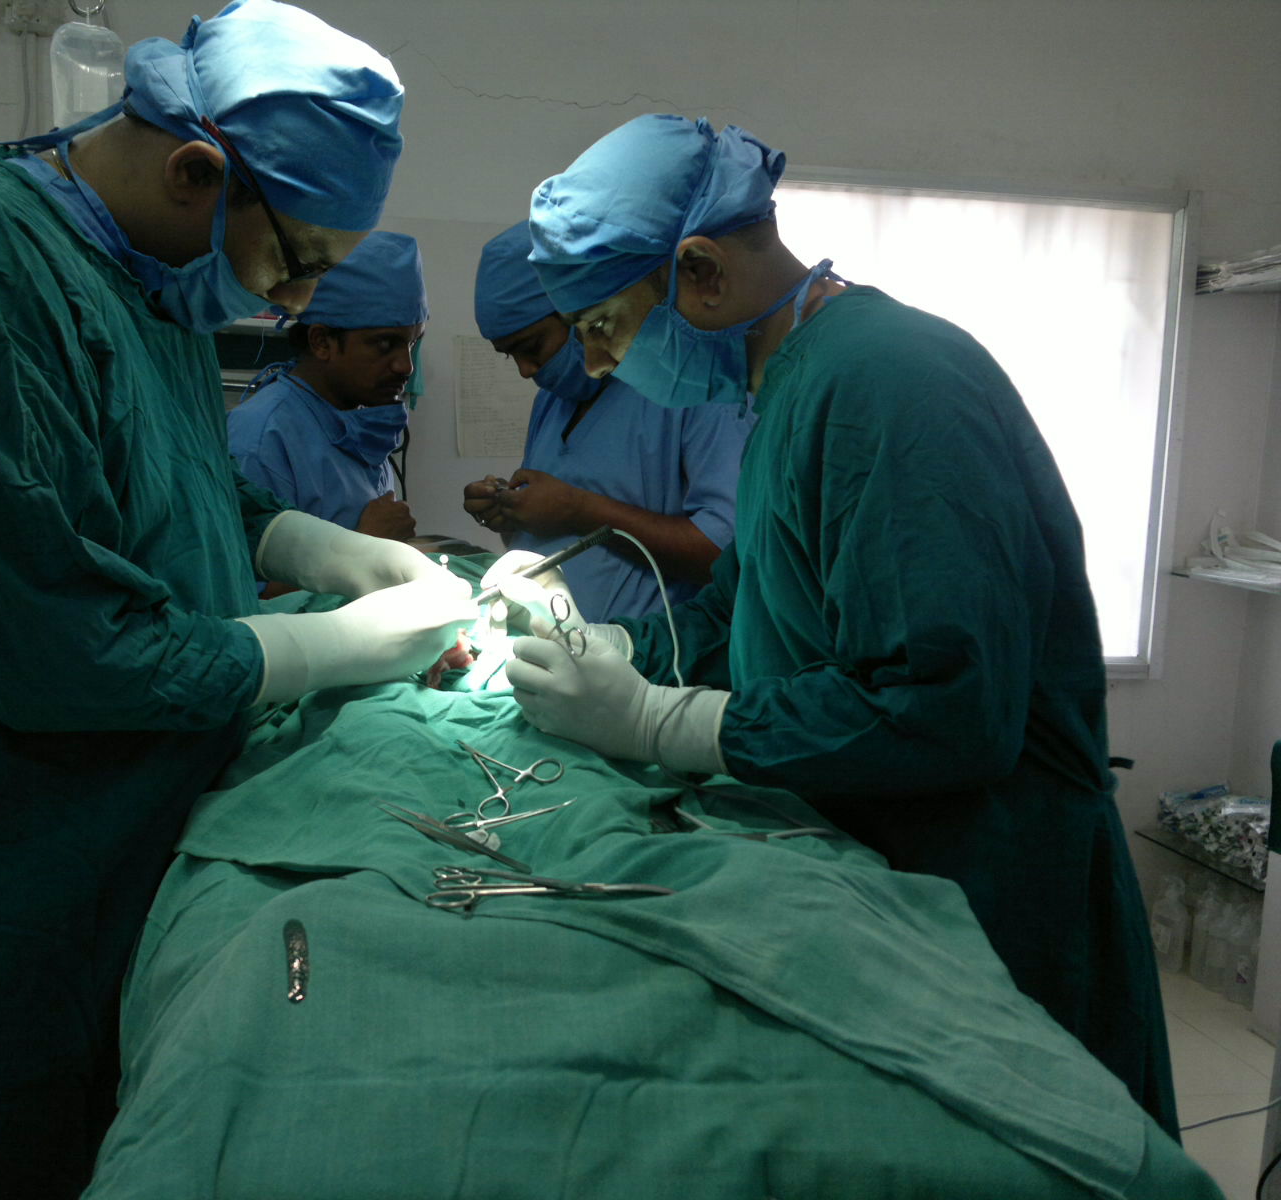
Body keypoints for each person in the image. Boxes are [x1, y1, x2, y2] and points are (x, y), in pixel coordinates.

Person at [0, 5, 474, 1198]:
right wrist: (332, 649)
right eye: (295, 262)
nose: (293, 304)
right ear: (196, 170)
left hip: (114, 842)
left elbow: (172, 476)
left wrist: (308, 546)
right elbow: (56, 652)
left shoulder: (151, 281)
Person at [501, 113, 1178, 1136]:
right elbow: (745, 606)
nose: (595, 364)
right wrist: (611, 649)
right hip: (885, 872)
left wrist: (656, 722)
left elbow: (943, 709)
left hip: (990, 894)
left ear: (699, 271)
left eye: (603, 325)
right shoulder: (784, 389)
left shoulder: (892, 384)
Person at [463, 221, 750, 622]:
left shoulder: (694, 387)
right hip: (551, 644)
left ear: (579, 311)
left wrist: (579, 510)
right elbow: (556, 542)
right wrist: (510, 513)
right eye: (510, 355)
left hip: (648, 653)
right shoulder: (553, 401)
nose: (526, 370)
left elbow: (724, 555)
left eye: (531, 347)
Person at [228, 231, 426, 540]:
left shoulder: (359, 427)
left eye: (412, 343)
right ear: (322, 342)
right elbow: (244, 569)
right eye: (386, 344)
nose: (406, 366)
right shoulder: (262, 439)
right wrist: (365, 543)